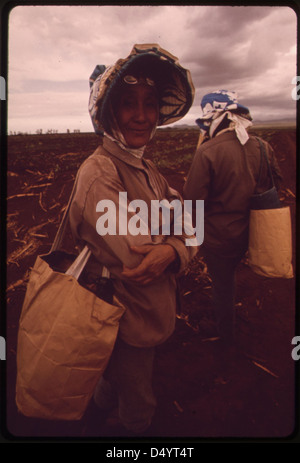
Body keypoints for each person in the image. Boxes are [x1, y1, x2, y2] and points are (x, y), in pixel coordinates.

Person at [68, 44, 197, 435]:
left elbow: (191, 221)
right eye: (128, 103)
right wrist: (178, 239)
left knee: (113, 382)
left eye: (150, 102)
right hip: (126, 316)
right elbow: (140, 258)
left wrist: (173, 247)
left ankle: (89, 422)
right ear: (108, 114)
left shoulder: (145, 166)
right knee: (139, 405)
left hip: (147, 310)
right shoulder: (100, 176)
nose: (142, 116)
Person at [183, 90, 282, 346]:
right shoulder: (262, 146)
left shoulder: (207, 152)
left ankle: (225, 335)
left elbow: (193, 201)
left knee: (222, 286)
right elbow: (276, 184)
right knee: (232, 277)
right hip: (252, 232)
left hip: (220, 239)